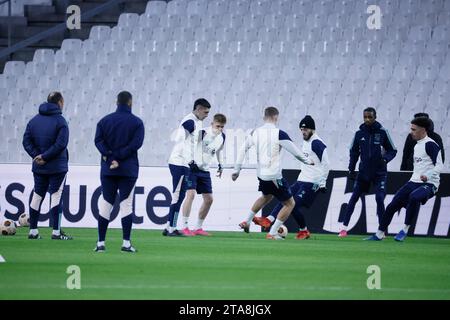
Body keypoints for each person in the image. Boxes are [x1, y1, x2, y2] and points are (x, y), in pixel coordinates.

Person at [232, 107, 314, 240]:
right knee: (290, 204)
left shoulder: (255, 132)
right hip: (274, 176)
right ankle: (273, 232)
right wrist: (308, 161)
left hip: (261, 176)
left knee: (266, 196)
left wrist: (236, 170)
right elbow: (295, 151)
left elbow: (242, 149)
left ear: (264, 117)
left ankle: (247, 221)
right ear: (276, 117)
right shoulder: (279, 133)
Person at [366, 117, 444, 241]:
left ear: (423, 130)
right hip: (413, 182)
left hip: (430, 184)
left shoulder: (431, 145)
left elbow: (440, 165)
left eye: (414, 129)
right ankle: (379, 234)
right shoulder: (417, 145)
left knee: (414, 197)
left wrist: (428, 176)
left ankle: (404, 230)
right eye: (411, 129)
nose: (411, 132)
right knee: (392, 205)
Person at [253, 115, 329, 240]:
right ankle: (269, 220)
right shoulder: (307, 141)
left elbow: (326, 163)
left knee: (292, 205)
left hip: (313, 182)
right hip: (301, 179)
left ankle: (282, 230)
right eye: (301, 130)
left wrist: (322, 182)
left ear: (312, 129)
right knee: (286, 200)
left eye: (306, 130)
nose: (303, 132)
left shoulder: (317, 143)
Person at [94, 91, 144, 253]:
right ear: (130, 102)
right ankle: (126, 243)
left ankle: (101, 243)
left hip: (108, 169)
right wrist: (119, 158)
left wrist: (110, 158)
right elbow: (135, 145)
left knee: (106, 203)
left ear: (117, 102)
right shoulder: (137, 123)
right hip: (128, 169)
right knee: (126, 205)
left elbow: (98, 141)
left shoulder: (104, 121)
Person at [338, 107, 397, 237]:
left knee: (379, 198)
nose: (367, 119)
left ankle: (382, 230)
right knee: (353, 198)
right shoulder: (359, 134)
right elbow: (353, 152)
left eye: (370, 117)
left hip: (379, 173)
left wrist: (385, 159)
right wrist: (351, 169)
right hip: (363, 173)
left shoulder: (382, 132)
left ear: (375, 117)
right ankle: (343, 228)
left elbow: (393, 150)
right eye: (365, 117)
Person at [22, 91, 72, 240]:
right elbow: (61, 144)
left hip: (39, 167)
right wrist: (45, 156)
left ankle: (33, 231)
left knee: (37, 195)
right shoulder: (61, 121)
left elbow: (26, 142)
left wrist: (37, 156)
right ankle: (56, 232)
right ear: (60, 102)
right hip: (57, 167)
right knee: (56, 196)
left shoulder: (33, 121)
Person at [164, 98, 211, 236]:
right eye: (206, 112)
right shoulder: (190, 122)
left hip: (182, 163)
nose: (207, 115)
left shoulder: (196, 122)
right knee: (178, 197)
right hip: (179, 162)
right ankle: (171, 228)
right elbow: (180, 140)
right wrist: (190, 160)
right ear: (199, 108)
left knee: (179, 196)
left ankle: (169, 227)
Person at [180, 113, 227, 236]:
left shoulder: (222, 137)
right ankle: (184, 226)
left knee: (209, 199)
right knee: (190, 195)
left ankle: (198, 228)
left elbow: (219, 151)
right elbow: (188, 145)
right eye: (218, 126)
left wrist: (221, 165)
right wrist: (190, 161)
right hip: (193, 169)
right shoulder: (202, 133)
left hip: (205, 171)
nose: (220, 129)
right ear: (212, 124)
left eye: (222, 127)